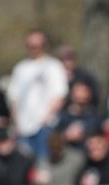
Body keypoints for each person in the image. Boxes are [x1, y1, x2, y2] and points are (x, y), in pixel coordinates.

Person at [8, 30, 67, 167]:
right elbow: (13, 98)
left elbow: (59, 95)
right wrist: (16, 123)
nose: (34, 48)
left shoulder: (53, 66)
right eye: (30, 45)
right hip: (23, 128)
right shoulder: (20, 68)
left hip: (44, 127)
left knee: (43, 166)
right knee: (23, 166)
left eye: (37, 45)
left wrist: (45, 119)